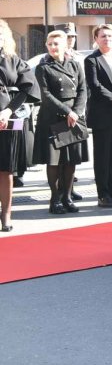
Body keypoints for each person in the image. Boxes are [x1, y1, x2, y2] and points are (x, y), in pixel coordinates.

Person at [34, 30, 88, 214]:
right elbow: (46, 95)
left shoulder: (74, 64)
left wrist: (77, 112)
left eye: (56, 44)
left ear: (65, 45)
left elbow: (83, 89)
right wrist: (68, 112)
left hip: (73, 118)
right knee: (54, 162)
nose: (52, 47)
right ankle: (55, 199)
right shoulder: (43, 67)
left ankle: (67, 197)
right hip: (52, 118)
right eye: (49, 44)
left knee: (71, 161)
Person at [84, 26, 112, 208]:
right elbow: (94, 85)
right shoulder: (91, 60)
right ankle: (103, 194)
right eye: (103, 36)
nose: (107, 38)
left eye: (110, 35)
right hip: (102, 113)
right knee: (102, 155)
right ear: (96, 39)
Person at [0, 20, 37, 230]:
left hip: (6, 119)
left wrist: (8, 110)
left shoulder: (14, 61)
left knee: (5, 169)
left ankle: (6, 214)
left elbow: (28, 88)